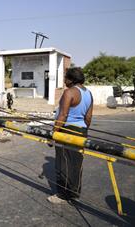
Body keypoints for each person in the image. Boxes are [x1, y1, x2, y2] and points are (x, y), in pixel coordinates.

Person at [47, 67, 93, 204]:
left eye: (66, 77)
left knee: (63, 162)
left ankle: (62, 194)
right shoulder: (88, 93)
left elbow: (63, 115)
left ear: (71, 79)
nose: (64, 80)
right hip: (81, 131)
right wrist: (83, 132)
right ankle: (74, 192)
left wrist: (53, 134)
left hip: (66, 130)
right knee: (76, 163)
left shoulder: (69, 93)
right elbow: (89, 117)